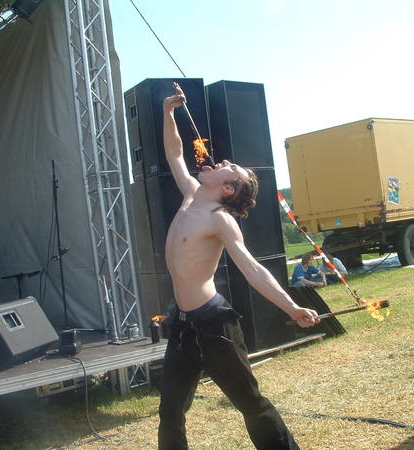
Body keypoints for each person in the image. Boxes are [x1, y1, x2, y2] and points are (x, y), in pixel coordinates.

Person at [158, 82, 320, 449]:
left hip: (214, 324)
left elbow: (253, 269)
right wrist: (168, 112)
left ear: (228, 189)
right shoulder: (191, 195)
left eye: (230, 168)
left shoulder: (220, 220)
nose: (222, 162)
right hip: (182, 325)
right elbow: (174, 151)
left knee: (250, 404)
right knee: (170, 410)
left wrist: (292, 308)